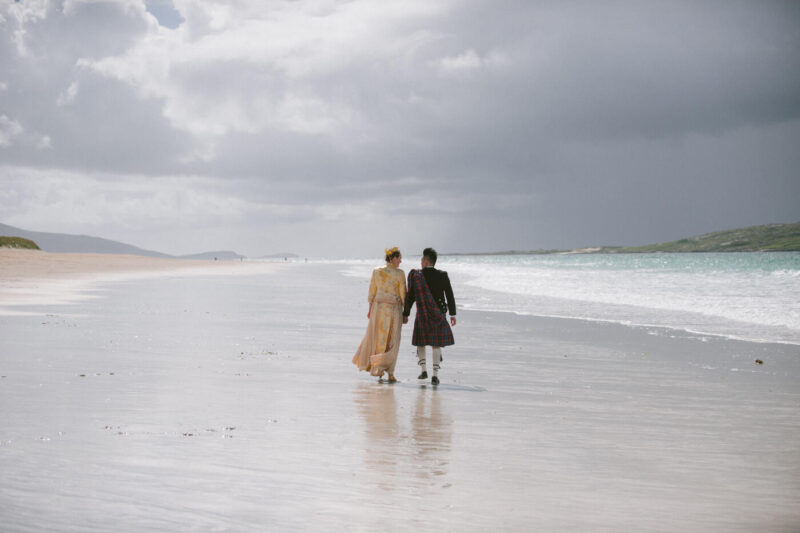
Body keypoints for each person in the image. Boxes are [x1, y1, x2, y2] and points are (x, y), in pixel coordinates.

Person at [352, 247, 407, 382]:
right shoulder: (400, 273)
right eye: (399, 258)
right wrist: (406, 313)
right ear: (393, 258)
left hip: (378, 308)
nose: (401, 260)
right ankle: (390, 373)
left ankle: (378, 369)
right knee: (393, 340)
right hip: (393, 308)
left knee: (378, 338)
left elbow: (372, 292)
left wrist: (370, 310)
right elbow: (403, 295)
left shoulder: (376, 271)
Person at [403, 247, 456, 385]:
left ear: (426, 261)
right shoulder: (443, 275)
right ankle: (435, 375)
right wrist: (453, 314)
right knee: (436, 345)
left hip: (422, 315)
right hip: (438, 314)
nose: (420, 262)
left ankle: (423, 370)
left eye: (422, 260)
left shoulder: (417, 276)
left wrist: (406, 313)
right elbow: (449, 295)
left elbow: (411, 297)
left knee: (421, 342)